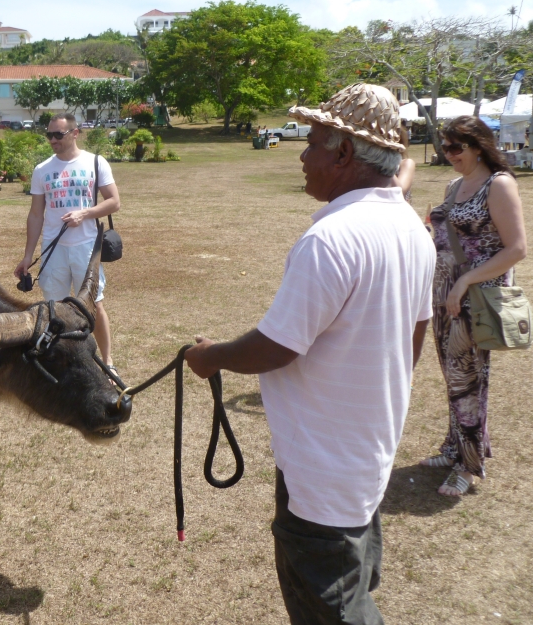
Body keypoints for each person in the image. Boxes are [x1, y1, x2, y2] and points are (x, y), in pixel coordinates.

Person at [186, 83, 436, 625]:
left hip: (322, 467)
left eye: (314, 142)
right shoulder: (413, 231)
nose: (302, 155)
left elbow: (276, 347)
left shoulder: (331, 239)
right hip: (367, 453)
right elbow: (413, 341)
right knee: (355, 584)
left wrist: (213, 357)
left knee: (332, 607)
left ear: (345, 153)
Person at [421, 116, 526, 496]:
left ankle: (468, 463)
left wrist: (465, 280)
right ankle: (454, 447)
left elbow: (517, 249)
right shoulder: (454, 186)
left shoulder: (498, 185)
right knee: (453, 377)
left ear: (478, 146)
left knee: (468, 379)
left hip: (475, 296)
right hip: (444, 294)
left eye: (455, 148)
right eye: (444, 147)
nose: (448, 155)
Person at [14, 112, 120, 368]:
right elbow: (36, 214)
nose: (52, 139)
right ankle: (62, 362)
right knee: (54, 309)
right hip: (54, 250)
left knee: (94, 305)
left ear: (75, 133)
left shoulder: (95, 162)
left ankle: (107, 362)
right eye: (49, 134)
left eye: (58, 134)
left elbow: (114, 202)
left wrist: (85, 213)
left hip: (85, 247)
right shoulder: (42, 170)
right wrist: (28, 256)